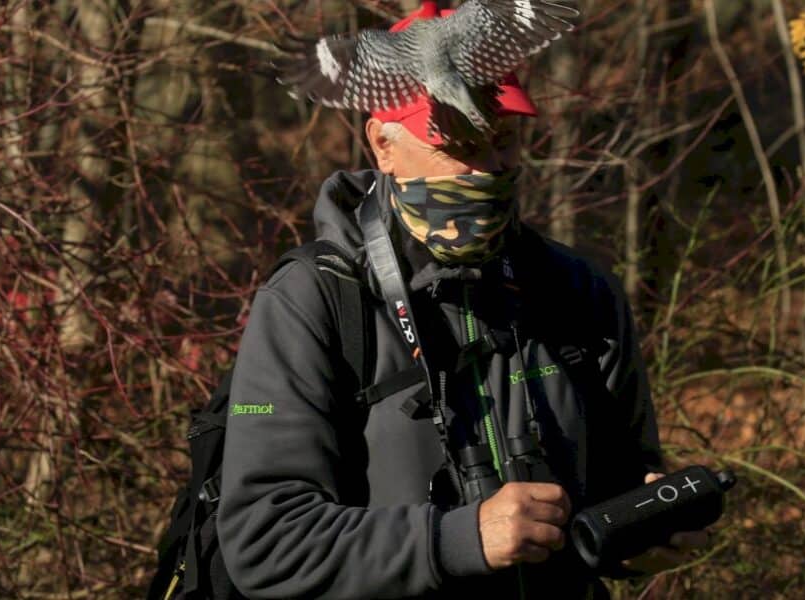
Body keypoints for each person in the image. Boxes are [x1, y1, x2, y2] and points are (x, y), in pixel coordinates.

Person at [216, 5, 708, 599]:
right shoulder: (311, 302)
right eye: (458, 142)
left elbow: (617, 481)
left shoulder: (580, 291)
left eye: (502, 139)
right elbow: (265, 542)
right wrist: (458, 538)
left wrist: (639, 527)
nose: (489, 167)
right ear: (384, 146)